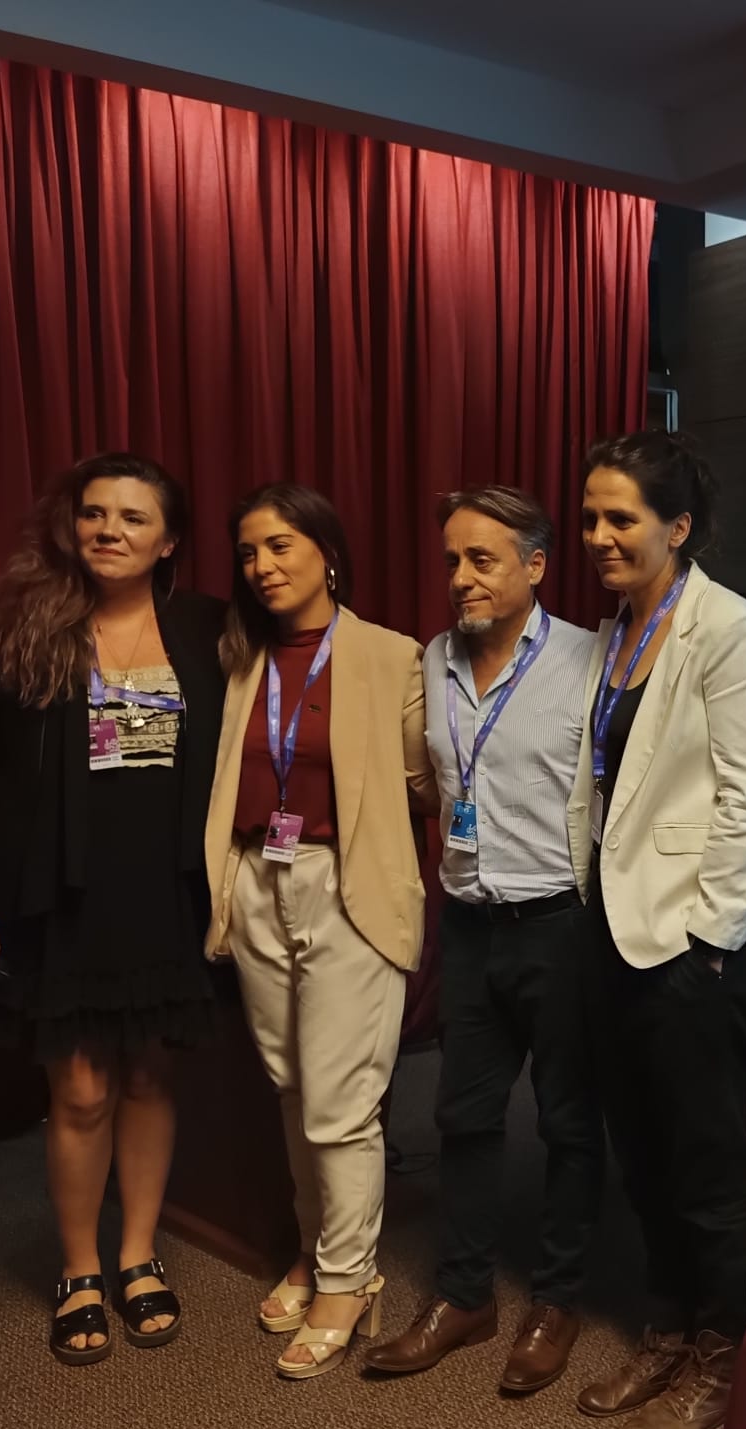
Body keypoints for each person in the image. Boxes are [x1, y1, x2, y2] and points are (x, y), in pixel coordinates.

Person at [0, 452, 227, 1366]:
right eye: (95, 514)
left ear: (169, 539)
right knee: (80, 1088)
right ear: (73, 526)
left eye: (134, 518)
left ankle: (138, 1258)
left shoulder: (208, 628)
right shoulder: (17, 628)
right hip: (58, 894)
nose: (110, 530)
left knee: (148, 1078)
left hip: (168, 890)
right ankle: (78, 1270)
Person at [566, 430, 746, 1429]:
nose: (599, 536)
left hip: (702, 942)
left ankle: (726, 1350)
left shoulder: (728, 632)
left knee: (703, 1161)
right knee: (642, 1151)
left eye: (622, 518)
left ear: (678, 527)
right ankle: (668, 1323)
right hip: (616, 933)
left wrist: (707, 940)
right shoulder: (615, 629)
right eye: (590, 518)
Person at [363, 486, 604, 1394]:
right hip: (468, 924)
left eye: (482, 560)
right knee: (461, 1116)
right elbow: (434, 780)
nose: (460, 579)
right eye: (453, 562)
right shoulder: (434, 660)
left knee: (571, 1121)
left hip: (562, 926)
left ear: (535, 566)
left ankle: (559, 1299)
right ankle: (465, 1296)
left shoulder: (589, 659)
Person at [203, 482, 435, 1380]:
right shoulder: (238, 659)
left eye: (281, 547)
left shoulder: (389, 656)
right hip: (258, 876)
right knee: (294, 1085)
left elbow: (426, 780)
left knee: (342, 1100)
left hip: (347, 886)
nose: (262, 566)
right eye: (250, 551)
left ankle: (349, 1278)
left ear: (327, 553)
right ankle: (316, 1248)